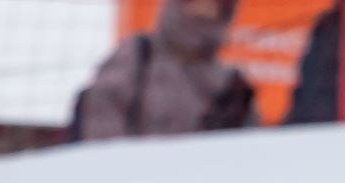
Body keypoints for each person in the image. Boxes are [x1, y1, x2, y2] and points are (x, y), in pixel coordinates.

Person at [72, 0, 256, 143]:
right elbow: (100, 124)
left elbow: (241, 155)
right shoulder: (138, 57)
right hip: (129, 181)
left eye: (214, 4)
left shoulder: (231, 84)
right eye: (195, 2)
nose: (204, 9)